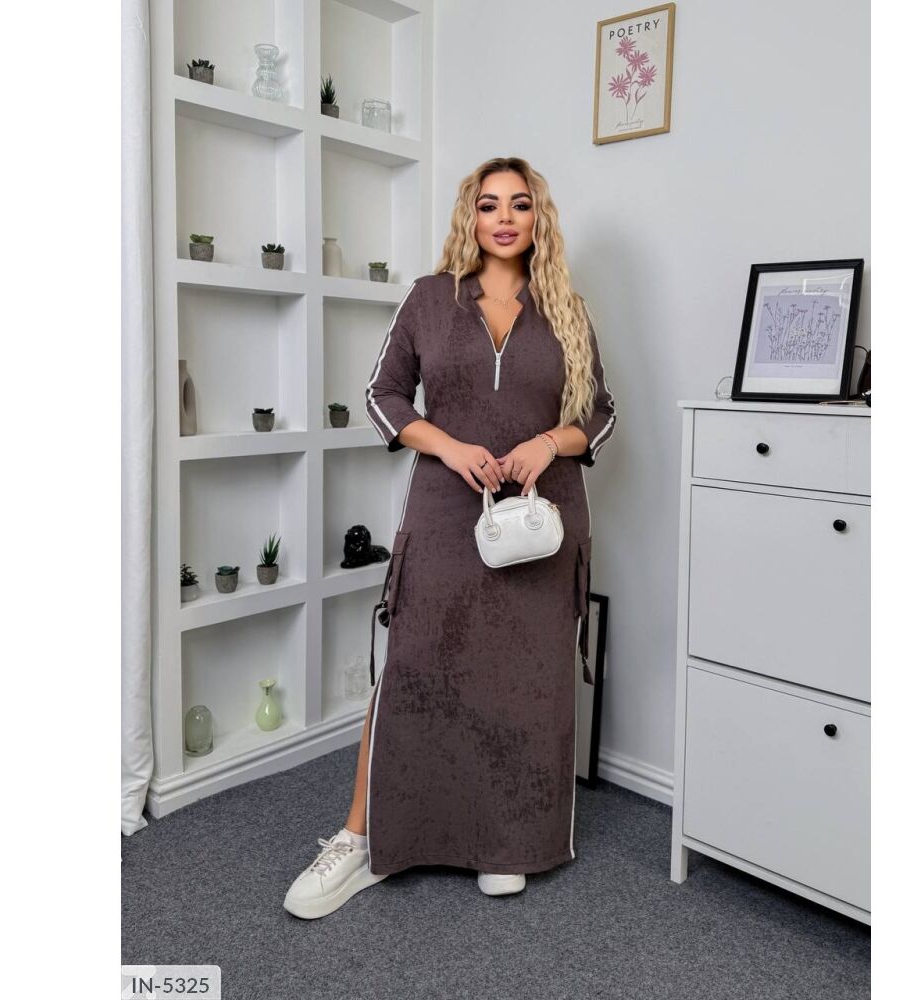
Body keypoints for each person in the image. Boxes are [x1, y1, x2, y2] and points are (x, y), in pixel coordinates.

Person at [284, 157, 617, 919]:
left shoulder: (565, 307)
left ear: (537, 218)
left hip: (540, 521)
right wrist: (449, 446)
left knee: (523, 684)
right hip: (442, 513)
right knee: (413, 668)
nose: (504, 218)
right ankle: (360, 840)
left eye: (519, 205)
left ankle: (505, 842)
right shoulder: (430, 298)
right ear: (470, 215)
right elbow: (382, 396)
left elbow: (598, 412)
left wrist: (547, 443)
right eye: (488, 204)